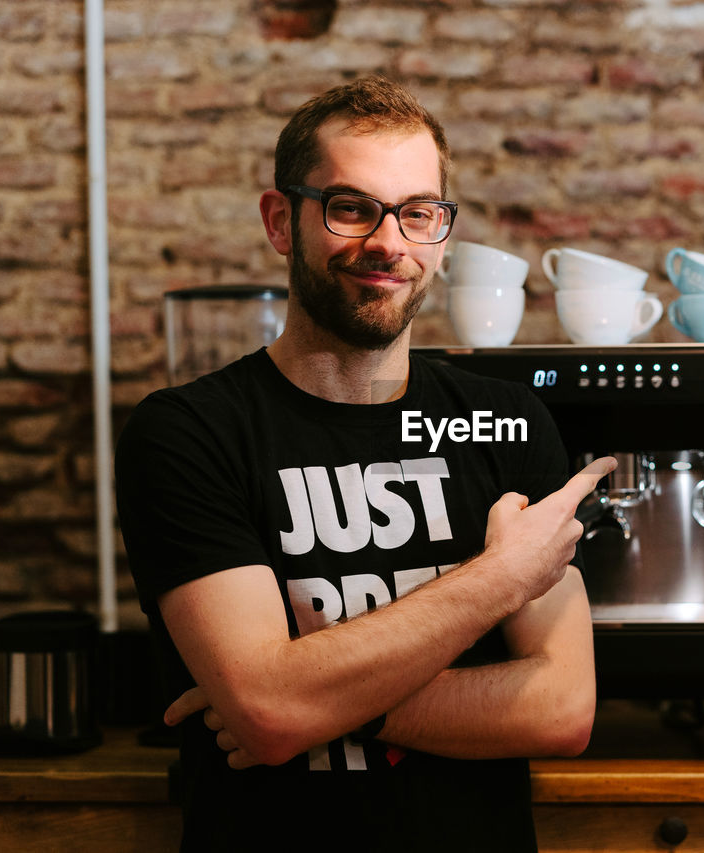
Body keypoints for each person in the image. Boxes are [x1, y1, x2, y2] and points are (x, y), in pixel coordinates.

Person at [115, 75, 615, 852]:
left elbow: (562, 705)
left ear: (442, 239)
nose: (389, 243)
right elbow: (269, 712)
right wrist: (498, 580)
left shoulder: (507, 424)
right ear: (282, 221)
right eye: (351, 208)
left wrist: (315, 693)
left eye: (419, 213)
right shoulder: (188, 433)